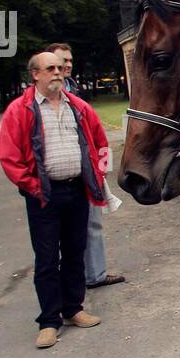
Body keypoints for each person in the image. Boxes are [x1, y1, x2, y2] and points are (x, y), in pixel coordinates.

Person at [0, 51, 107, 348]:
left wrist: (98, 175)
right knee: (47, 259)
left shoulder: (79, 107)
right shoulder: (20, 110)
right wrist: (33, 186)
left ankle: (73, 309)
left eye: (60, 68)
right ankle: (49, 321)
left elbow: (101, 143)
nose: (58, 72)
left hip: (76, 191)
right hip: (43, 196)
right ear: (35, 74)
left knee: (75, 252)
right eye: (50, 68)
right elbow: (10, 158)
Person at [47, 42, 126, 290]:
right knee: (61, 231)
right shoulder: (44, 96)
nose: (66, 66)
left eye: (69, 61)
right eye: (61, 62)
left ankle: (95, 274)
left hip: (87, 169)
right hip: (57, 175)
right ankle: (76, 277)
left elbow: (96, 134)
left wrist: (102, 168)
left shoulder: (75, 90)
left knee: (92, 223)